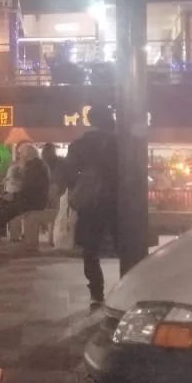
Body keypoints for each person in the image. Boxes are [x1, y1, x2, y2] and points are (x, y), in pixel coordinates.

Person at [66, 105, 120, 306]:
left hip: (90, 202)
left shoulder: (80, 144)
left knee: (90, 249)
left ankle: (96, 291)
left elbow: (70, 174)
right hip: (117, 200)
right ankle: (127, 289)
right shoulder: (119, 142)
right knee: (123, 246)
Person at [4, 142, 51, 251]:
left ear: (27, 155)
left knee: (10, 208)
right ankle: (19, 237)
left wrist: (13, 196)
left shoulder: (33, 168)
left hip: (35, 203)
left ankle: (17, 238)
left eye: (20, 154)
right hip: (37, 200)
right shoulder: (38, 165)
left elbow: (28, 190)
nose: (19, 156)